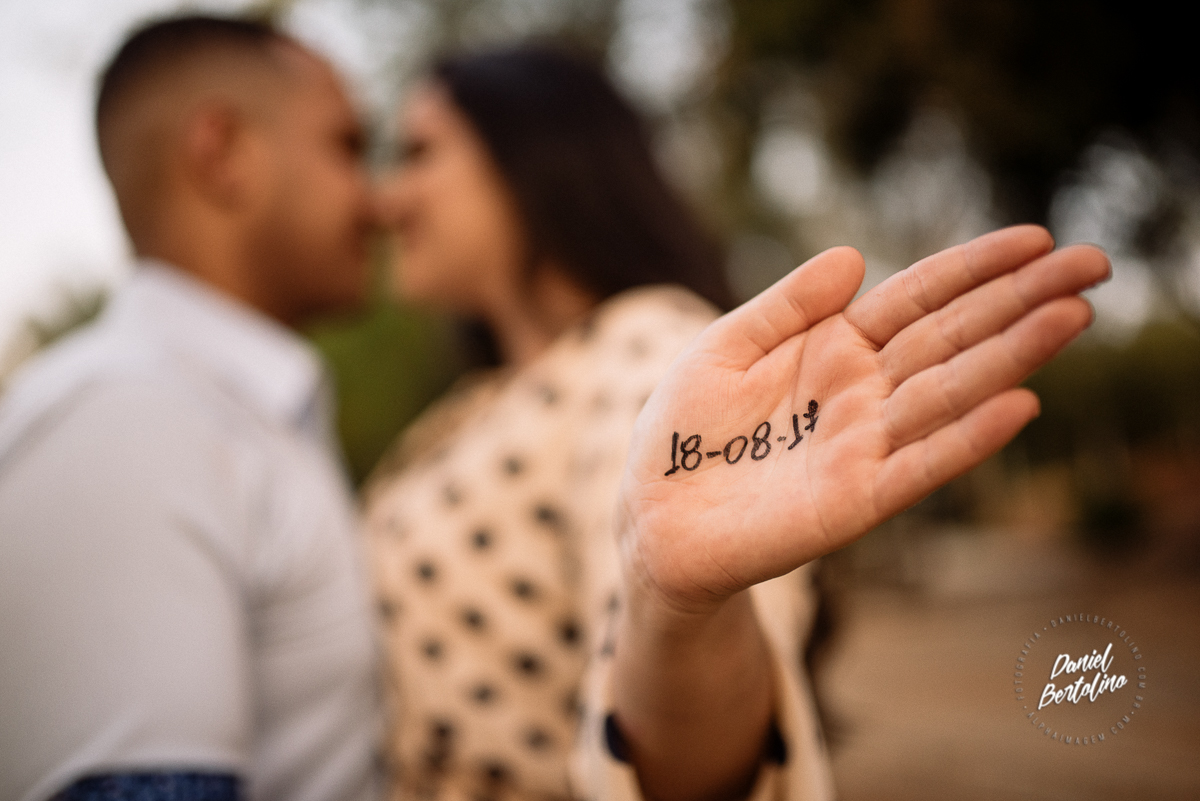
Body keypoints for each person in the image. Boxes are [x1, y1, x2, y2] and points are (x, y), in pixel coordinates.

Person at [365, 44, 1110, 801]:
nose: (386, 199)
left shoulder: (642, 357)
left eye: (420, 152)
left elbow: (692, 766)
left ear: (533, 156)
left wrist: (680, 610)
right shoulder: (480, 403)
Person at [0, 16, 381, 801]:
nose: (376, 201)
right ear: (223, 152)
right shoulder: (133, 417)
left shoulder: (222, 412)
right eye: (345, 146)